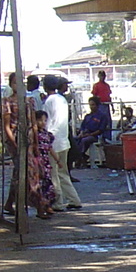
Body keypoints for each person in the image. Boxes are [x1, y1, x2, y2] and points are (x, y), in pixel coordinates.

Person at [41, 75, 83, 210]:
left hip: (53, 142)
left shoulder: (49, 101)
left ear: (45, 87)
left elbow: (46, 122)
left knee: (54, 174)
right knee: (63, 173)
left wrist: (46, 137)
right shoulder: (62, 99)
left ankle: (58, 202)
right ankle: (74, 199)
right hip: (64, 140)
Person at [27, 107, 58, 218]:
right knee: (38, 186)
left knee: (48, 186)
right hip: (36, 162)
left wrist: (57, 160)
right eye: (40, 120)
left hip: (45, 163)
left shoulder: (46, 134)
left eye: (45, 120)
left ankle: (47, 206)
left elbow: (50, 148)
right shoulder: (32, 134)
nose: (43, 123)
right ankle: (41, 209)